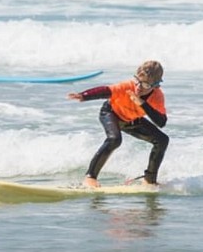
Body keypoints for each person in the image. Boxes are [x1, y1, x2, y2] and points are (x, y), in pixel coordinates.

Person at [68, 60, 169, 188]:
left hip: (131, 120)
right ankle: (90, 177)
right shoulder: (128, 86)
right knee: (114, 139)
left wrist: (142, 104)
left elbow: (161, 122)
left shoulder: (157, 96)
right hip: (111, 113)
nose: (138, 87)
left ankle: (149, 179)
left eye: (145, 85)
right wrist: (83, 95)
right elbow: (106, 90)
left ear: (156, 85)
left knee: (162, 140)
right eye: (137, 81)